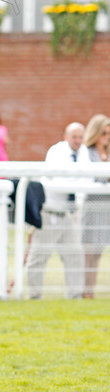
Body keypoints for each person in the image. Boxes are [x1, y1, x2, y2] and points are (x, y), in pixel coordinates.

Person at [26, 123, 89, 300]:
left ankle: (75, 296)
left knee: (74, 255)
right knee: (39, 256)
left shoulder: (83, 153)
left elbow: (87, 178)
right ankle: (34, 296)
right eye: (74, 137)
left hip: (68, 214)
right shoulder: (56, 151)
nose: (77, 141)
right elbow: (62, 180)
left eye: (80, 137)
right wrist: (79, 182)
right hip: (50, 213)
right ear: (65, 136)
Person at [81, 114, 110, 298]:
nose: (107, 137)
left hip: (106, 204)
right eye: (104, 133)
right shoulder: (87, 152)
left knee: (98, 250)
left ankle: (91, 290)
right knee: (89, 250)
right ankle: (86, 290)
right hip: (92, 202)